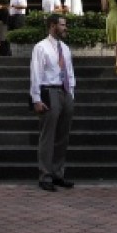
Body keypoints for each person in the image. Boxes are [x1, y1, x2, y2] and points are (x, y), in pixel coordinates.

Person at [30, 14, 76, 192]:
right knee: (48, 136)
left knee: (63, 136)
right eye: (62, 25)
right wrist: (36, 98)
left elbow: (70, 71)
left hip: (65, 92)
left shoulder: (64, 48)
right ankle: (45, 175)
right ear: (52, 25)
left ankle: (58, 173)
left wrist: (71, 93)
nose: (65, 28)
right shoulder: (41, 47)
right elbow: (36, 73)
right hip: (49, 91)